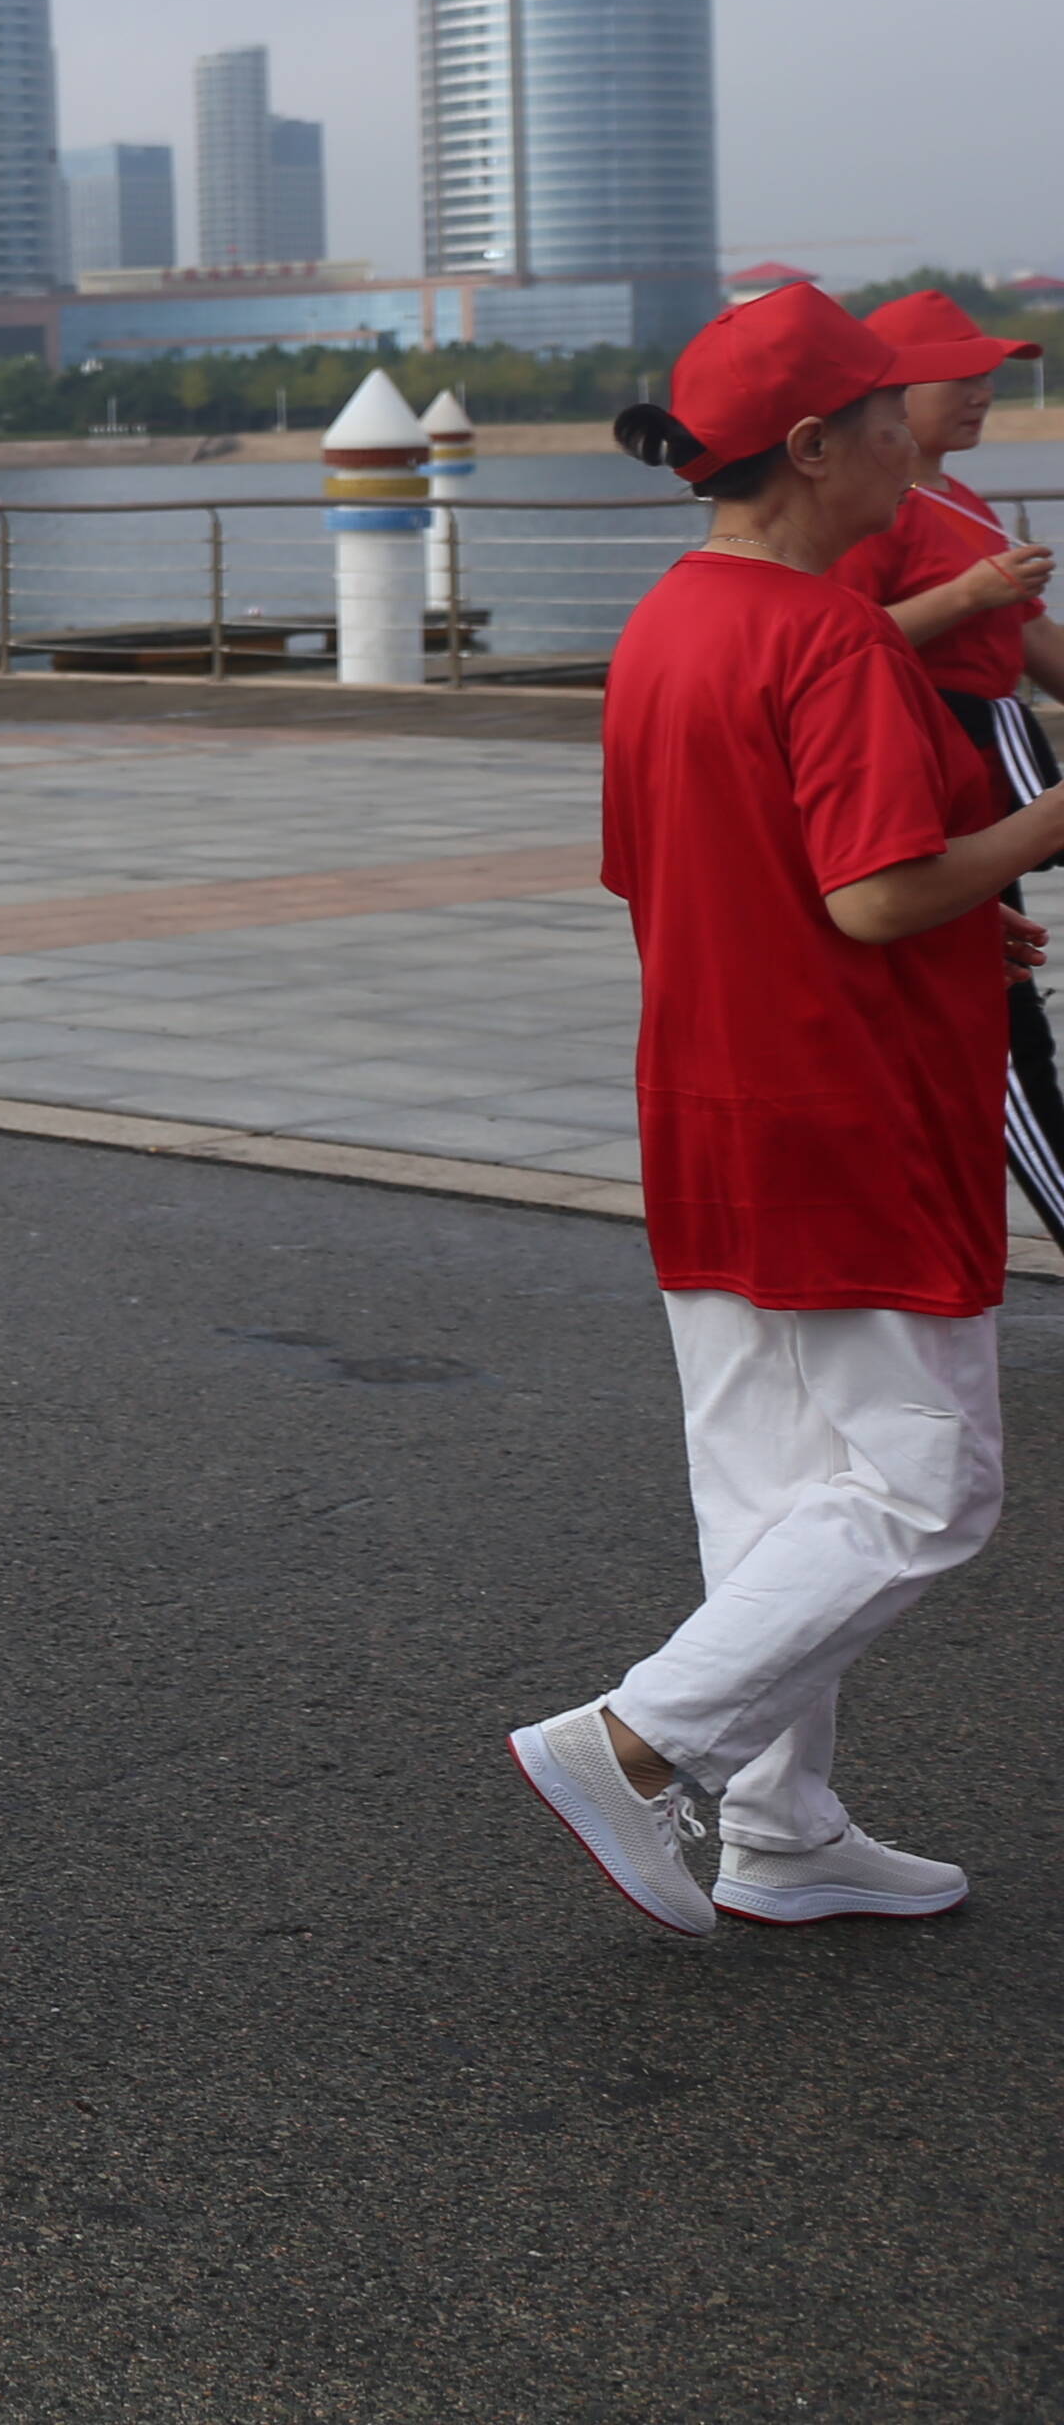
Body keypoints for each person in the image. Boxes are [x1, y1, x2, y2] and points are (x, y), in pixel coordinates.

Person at [504, 285, 1064, 1933]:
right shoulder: (820, 632)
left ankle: (781, 1822)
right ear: (816, 445)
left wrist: (961, 899)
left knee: (766, 1486)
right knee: (921, 1485)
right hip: (848, 1104)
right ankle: (636, 1741)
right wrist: (1031, 837)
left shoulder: (667, 620)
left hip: (709, 1098)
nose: (917, 434)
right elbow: (875, 903)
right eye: (889, 411)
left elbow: (700, 864)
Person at [826, 290, 1064, 1217]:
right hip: (945, 757)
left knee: (985, 985)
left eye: (989, 376)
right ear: (891, 393)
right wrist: (969, 595)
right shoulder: (872, 511)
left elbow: (1034, 642)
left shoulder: (958, 497)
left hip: (998, 742)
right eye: (959, 377)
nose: (982, 393)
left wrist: (986, 594)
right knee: (993, 1006)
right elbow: (833, 643)